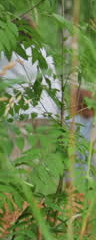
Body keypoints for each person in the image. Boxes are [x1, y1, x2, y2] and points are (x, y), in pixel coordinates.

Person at [1, 15, 62, 162]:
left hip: (19, 112)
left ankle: (22, 184)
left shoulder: (5, 54)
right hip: (45, 112)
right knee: (37, 160)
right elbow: (53, 82)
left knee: (19, 159)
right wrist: (60, 109)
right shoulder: (43, 53)